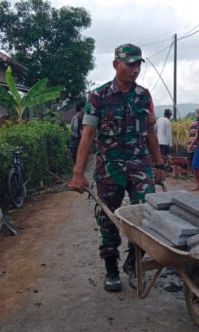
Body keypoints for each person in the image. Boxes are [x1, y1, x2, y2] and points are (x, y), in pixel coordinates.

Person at [68, 43, 166, 292]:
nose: (135, 69)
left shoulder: (144, 96)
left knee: (147, 213)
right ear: (116, 64)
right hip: (109, 166)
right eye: (129, 64)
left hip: (139, 163)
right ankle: (111, 267)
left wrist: (159, 164)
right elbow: (88, 136)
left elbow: (151, 132)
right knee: (107, 215)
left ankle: (133, 263)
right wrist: (78, 173)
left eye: (138, 65)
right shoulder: (98, 96)